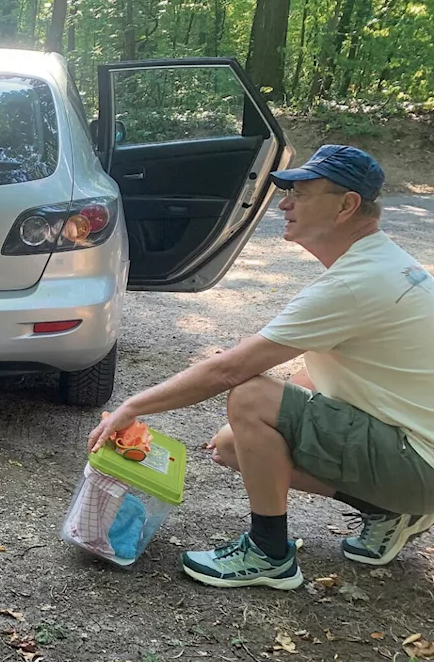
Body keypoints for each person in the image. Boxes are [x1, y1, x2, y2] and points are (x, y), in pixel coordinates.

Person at [88, 145, 434, 590]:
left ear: (347, 205)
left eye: (302, 194)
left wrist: (132, 406)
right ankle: (390, 509)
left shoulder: (355, 283)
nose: (285, 204)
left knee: (250, 397)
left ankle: (269, 553)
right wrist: (267, 424)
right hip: (414, 452)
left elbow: (229, 371)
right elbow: (330, 371)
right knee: (236, 446)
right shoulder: (380, 264)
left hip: (420, 464)